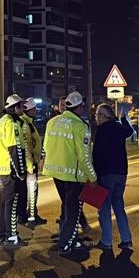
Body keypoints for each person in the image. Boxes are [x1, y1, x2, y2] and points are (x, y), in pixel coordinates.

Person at [43, 91, 97, 255]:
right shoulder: (80, 126)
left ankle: (70, 239)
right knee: (73, 210)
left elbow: (46, 146)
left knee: (67, 207)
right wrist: (92, 176)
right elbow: (84, 155)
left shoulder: (52, 122)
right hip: (73, 175)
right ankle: (65, 244)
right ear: (79, 107)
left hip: (56, 172)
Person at [93, 103, 135, 250]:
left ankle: (106, 241)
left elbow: (96, 154)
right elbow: (130, 131)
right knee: (118, 206)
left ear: (104, 116)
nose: (96, 118)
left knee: (104, 208)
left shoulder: (101, 130)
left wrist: (94, 175)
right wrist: (123, 119)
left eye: (98, 115)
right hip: (121, 173)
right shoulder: (118, 127)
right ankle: (126, 239)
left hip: (106, 173)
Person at [0, 94, 32, 248]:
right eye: (21, 106)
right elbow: (14, 150)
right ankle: (11, 236)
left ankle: (3, 233)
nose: (23, 109)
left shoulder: (1, 121)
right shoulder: (12, 124)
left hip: (1, 168)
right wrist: (19, 172)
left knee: (3, 203)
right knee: (11, 205)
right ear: (15, 108)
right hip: (10, 171)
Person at [20, 97, 47, 226]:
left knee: (30, 191)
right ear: (28, 110)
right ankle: (31, 216)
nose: (36, 111)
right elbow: (26, 147)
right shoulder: (26, 125)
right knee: (32, 191)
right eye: (34, 109)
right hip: (29, 165)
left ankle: (29, 214)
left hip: (31, 163)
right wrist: (30, 165)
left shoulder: (29, 123)